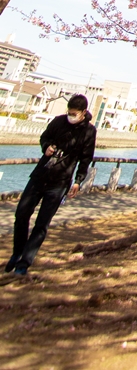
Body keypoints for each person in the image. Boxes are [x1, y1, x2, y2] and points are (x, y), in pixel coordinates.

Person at [5, 93, 96, 278]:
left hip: (60, 182)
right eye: (69, 112)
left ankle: (24, 263)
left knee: (42, 224)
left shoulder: (89, 131)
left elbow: (86, 158)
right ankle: (17, 253)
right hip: (40, 175)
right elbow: (44, 137)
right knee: (21, 214)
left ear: (83, 112)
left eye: (74, 114)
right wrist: (46, 146)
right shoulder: (58, 121)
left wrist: (78, 181)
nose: (71, 116)